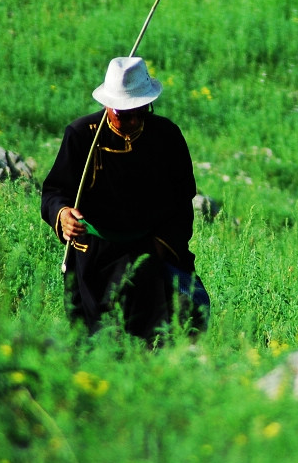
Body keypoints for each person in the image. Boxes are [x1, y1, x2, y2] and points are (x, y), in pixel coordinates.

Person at [40, 56, 207, 343]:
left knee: (188, 311)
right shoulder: (82, 136)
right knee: (103, 337)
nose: (130, 121)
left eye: (137, 112)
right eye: (121, 113)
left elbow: (182, 199)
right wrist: (64, 215)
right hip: (96, 253)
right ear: (107, 106)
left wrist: (162, 246)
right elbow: (55, 191)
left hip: (152, 248)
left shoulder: (167, 136)